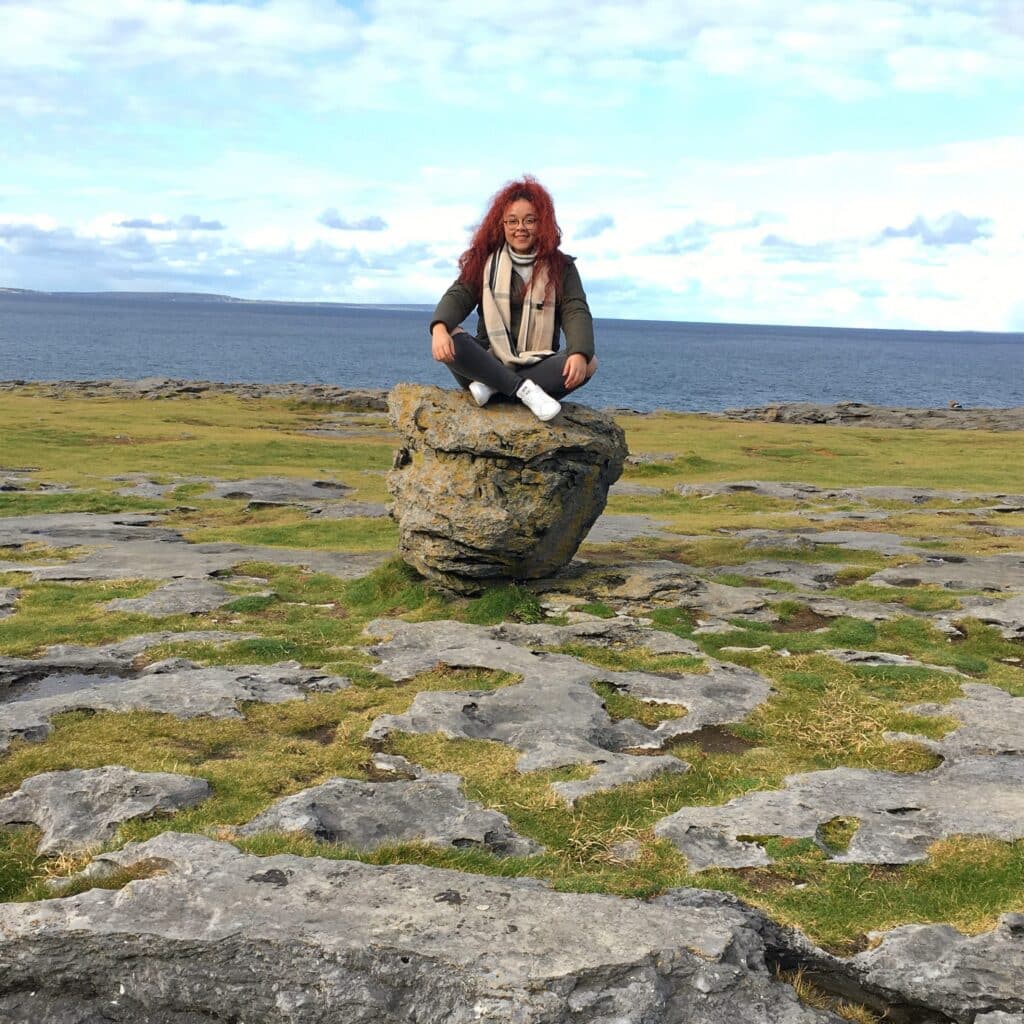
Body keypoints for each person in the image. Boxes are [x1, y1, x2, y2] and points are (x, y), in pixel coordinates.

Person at [429, 176, 598, 422]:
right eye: (512, 221)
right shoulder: (485, 261)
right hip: (487, 358)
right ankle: (522, 390)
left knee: (590, 362)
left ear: (543, 224)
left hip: (536, 363)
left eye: (530, 221)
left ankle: (495, 386)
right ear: (502, 224)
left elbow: (576, 310)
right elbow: (460, 294)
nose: (520, 228)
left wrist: (580, 354)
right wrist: (439, 327)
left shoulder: (562, 267)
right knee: (450, 336)